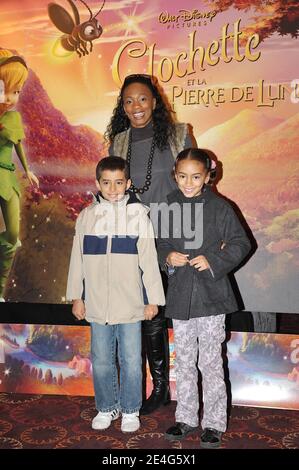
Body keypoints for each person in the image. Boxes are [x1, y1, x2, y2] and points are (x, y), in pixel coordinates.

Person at [105, 73, 196, 414]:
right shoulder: (119, 142)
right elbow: (113, 190)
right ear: (123, 107)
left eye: (142, 98)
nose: (136, 106)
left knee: (186, 312)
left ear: (155, 102)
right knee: (151, 315)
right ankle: (159, 389)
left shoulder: (178, 134)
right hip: (139, 237)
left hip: (179, 234)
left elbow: (196, 178)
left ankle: (191, 388)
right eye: (128, 101)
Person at [157, 148, 251, 448]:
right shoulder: (168, 205)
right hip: (180, 297)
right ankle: (185, 416)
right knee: (183, 361)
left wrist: (212, 259)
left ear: (209, 175)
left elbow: (240, 243)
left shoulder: (220, 207)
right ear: (175, 175)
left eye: (196, 176)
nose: (188, 182)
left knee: (210, 363)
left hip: (212, 299)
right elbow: (158, 243)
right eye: (182, 176)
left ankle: (213, 422)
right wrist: (167, 256)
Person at [66, 156, 165, 433]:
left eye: (119, 182)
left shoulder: (138, 217)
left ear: (128, 183)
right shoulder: (86, 217)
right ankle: (106, 407)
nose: (112, 188)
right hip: (97, 305)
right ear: (98, 183)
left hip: (131, 305)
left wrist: (152, 299)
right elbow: (78, 259)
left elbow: (148, 260)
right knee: (100, 358)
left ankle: (131, 409)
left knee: (132, 359)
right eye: (106, 183)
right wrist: (77, 295)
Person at [0, 50, 39, 301]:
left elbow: (18, 146)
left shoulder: (13, 117)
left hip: (7, 179)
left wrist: (28, 170)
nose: (11, 98)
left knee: (13, 236)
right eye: (6, 90)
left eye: (17, 91)